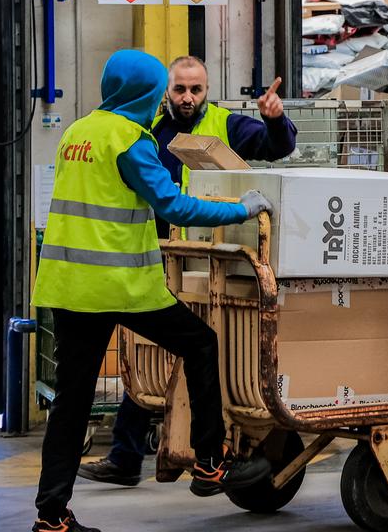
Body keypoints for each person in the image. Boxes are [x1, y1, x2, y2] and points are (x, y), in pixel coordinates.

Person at [31, 50, 275, 532]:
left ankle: (52, 517)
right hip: (119, 285)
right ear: (145, 93)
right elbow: (174, 205)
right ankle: (210, 462)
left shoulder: (76, 132)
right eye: (162, 90)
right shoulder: (130, 140)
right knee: (200, 343)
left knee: (71, 403)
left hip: (67, 285)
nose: (165, 99)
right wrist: (240, 209)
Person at [78, 55, 297, 488]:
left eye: (195, 89)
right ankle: (131, 456)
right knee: (152, 357)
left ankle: (192, 452)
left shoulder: (226, 125)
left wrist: (275, 121)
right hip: (163, 259)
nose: (187, 98)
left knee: (199, 350)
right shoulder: (148, 133)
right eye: (179, 89)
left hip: (216, 260)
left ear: (207, 88)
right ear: (166, 91)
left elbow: (276, 147)